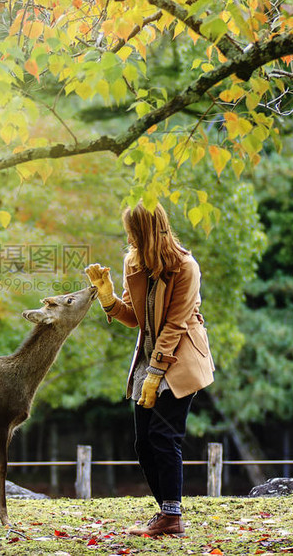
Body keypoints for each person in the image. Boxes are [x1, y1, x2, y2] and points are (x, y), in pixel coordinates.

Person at [85, 201, 214, 537]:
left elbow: (174, 325)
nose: (130, 240)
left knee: (164, 436)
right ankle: (165, 515)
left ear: (148, 231)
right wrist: (108, 299)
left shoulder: (185, 267)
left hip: (180, 358)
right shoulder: (134, 261)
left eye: (134, 233)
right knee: (143, 442)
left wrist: (156, 375)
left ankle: (172, 517)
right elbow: (136, 318)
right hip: (150, 356)